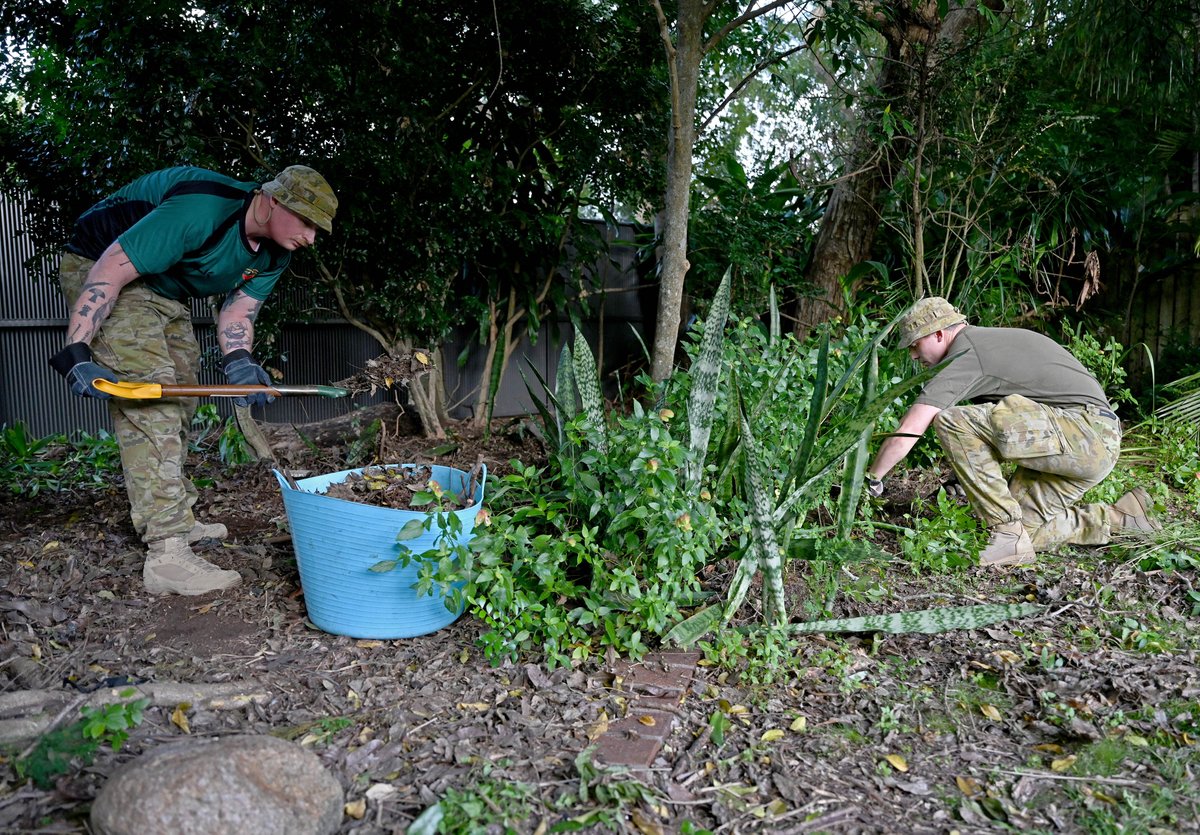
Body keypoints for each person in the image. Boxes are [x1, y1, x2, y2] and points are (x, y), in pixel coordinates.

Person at [49, 164, 337, 595]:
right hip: (101, 264)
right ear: (273, 200)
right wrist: (78, 350)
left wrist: (239, 360)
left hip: (165, 289)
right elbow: (112, 268)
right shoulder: (202, 210)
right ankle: (166, 553)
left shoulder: (276, 250)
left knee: (184, 396)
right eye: (307, 223)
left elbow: (239, 311)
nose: (311, 238)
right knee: (154, 402)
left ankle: (178, 516)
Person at [865, 297, 1160, 566]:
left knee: (951, 420)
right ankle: (1122, 519)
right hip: (1084, 443)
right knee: (1025, 533)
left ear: (938, 334)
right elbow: (1002, 428)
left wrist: (871, 481)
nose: (914, 356)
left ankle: (1004, 532)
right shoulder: (984, 346)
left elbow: (912, 426)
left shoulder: (967, 351)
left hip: (1084, 432)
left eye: (915, 345)